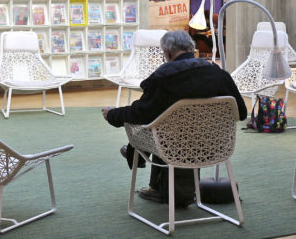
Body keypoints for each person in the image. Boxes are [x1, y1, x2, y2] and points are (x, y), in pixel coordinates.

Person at [101, 31, 246, 207]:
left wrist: (112, 114)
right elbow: (242, 112)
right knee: (169, 123)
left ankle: (137, 155)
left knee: (160, 125)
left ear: (167, 53)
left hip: (173, 145)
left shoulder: (164, 78)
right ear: (192, 49)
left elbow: (141, 113)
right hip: (214, 144)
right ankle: (143, 165)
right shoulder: (219, 74)